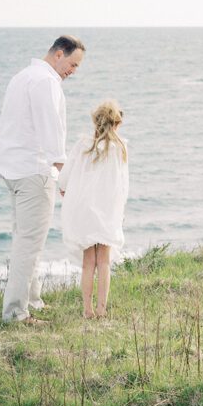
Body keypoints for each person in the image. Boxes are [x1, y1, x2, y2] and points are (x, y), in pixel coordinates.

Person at [0, 35, 86, 324]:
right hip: (34, 171)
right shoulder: (46, 82)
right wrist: (66, 177)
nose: (73, 70)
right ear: (58, 54)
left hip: (13, 169)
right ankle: (15, 313)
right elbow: (52, 136)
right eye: (72, 63)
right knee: (30, 243)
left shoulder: (22, 76)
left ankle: (32, 298)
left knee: (26, 237)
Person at [59, 101, 129, 319]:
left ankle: (87, 310)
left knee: (88, 261)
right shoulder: (120, 149)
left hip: (85, 211)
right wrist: (120, 210)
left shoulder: (83, 145)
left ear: (95, 122)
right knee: (104, 261)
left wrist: (64, 189)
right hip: (107, 210)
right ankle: (101, 309)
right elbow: (123, 185)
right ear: (117, 123)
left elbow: (66, 175)